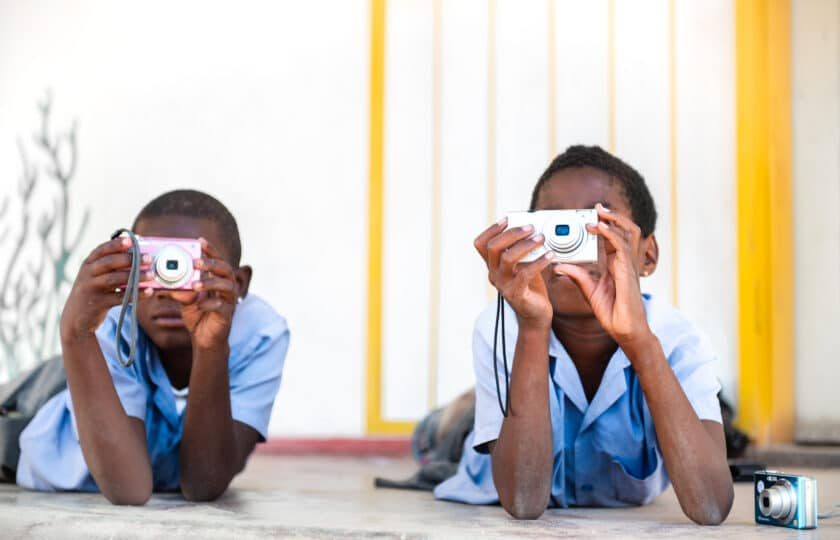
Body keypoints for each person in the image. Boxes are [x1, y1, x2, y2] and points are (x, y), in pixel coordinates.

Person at [433, 145, 733, 525]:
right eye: (555, 229)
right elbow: (524, 502)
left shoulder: (677, 340)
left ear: (647, 256)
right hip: (476, 460)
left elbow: (710, 505)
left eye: (596, 226)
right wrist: (533, 328)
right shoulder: (504, 326)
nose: (572, 249)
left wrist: (639, 340)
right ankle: (451, 418)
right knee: (442, 438)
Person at [15, 189, 289, 505]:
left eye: (190, 268)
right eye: (152, 267)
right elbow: (128, 490)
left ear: (238, 283)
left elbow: (204, 483)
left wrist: (211, 347)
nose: (168, 289)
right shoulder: (110, 318)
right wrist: (76, 335)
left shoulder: (260, 334)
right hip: (33, 419)